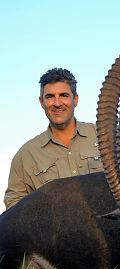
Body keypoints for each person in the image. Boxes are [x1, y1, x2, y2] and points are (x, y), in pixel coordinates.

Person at [4, 68, 103, 209]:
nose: (57, 103)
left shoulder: (104, 135)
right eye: (50, 97)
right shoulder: (25, 155)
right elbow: (14, 205)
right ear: (41, 102)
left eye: (63, 95)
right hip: (56, 231)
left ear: (75, 99)